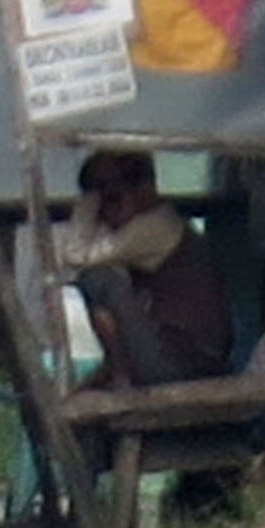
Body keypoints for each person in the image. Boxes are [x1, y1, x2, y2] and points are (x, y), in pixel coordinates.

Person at [63, 148, 235, 387]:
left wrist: (87, 205)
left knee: (98, 279)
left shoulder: (155, 225)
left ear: (141, 189)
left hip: (185, 364)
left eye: (113, 199)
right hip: (185, 359)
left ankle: (121, 379)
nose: (105, 212)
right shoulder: (146, 230)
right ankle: (117, 375)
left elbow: (76, 255)